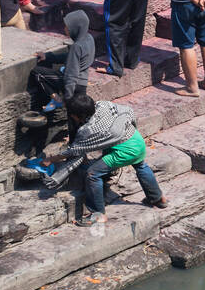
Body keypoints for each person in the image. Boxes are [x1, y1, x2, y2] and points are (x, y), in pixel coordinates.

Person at [46, 93, 166, 226]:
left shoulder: (88, 129)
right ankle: (158, 199)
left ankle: (98, 215)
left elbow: (74, 150)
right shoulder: (103, 104)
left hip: (126, 151)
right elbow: (129, 111)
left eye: (71, 114)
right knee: (140, 165)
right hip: (136, 140)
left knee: (92, 174)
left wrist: (51, 159)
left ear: (77, 115)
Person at [32, 9, 95, 113]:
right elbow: (70, 57)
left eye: (67, 26)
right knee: (77, 118)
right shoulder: (89, 38)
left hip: (74, 85)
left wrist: (68, 99)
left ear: (76, 27)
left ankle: (57, 99)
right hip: (82, 84)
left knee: (37, 73)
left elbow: (71, 74)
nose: (65, 29)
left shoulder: (76, 46)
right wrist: (48, 56)